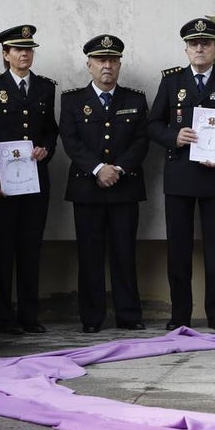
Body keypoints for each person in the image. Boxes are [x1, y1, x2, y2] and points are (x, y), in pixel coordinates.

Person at [148, 18, 215, 331]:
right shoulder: (171, 81)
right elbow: (153, 124)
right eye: (194, 43)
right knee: (178, 250)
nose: (199, 48)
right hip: (180, 175)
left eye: (206, 43)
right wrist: (173, 136)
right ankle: (180, 315)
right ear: (186, 49)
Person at [59, 34, 149, 332]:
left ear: (120, 64)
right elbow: (70, 140)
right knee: (90, 255)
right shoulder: (72, 100)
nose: (107, 66)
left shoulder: (135, 99)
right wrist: (98, 169)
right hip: (87, 189)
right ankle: (92, 317)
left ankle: (129, 315)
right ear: (89, 65)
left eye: (112, 60)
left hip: (125, 187)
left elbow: (141, 141)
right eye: (100, 60)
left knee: (125, 253)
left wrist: (118, 169)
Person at [0, 25, 59, 335]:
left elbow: (50, 130)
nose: (25, 54)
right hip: (3, 183)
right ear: (5, 54)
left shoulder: (45, 87)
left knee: (30, 248)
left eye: (29, 49)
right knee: (3, 250)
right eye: (18, 50)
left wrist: (45, 149)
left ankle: (29, 315)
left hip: (34, 180)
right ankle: (5, 316)